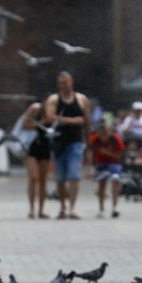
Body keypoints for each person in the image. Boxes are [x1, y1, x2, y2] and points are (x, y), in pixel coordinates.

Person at [44, 71, 91, 219]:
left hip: (76, 142)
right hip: (59, 143)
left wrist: (89, 144)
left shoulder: (81, 99)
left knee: (74, 175)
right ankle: (62, 206)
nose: (63, 85)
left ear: (71, 82)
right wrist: (73, 120)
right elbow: (50, 117)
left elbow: (87, 122)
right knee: (60, 178)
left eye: (66, 82)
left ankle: (73, 208)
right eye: (61, 83)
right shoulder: (54, 100)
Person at [21, 100, 53, 218]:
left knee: (43, 181)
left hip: (46, 148)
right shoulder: (35, 109)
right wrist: (40, 123)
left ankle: (41, 210)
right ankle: (31, 209)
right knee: (33, 178)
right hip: (32, 147)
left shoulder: (54, 112)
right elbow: (24, 124)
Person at [88, 121, 125, 218]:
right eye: (101, 135)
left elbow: (120, 155)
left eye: (105, 135)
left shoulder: (116, 139)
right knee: (102, 184)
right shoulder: (94, 139)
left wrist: (106, 153)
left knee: (115, 180)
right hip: (100, 163)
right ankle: (101, 208)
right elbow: (90, 152)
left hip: (114, 162)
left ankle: (115, 207)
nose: (103, 138)